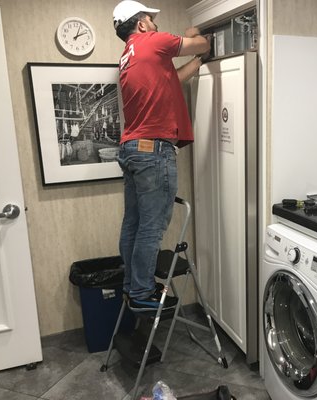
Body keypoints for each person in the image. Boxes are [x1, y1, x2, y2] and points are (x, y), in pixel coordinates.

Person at [113, 0, 210, 311]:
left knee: (134, 223)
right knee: (152, 227)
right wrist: (194, 33)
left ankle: (132, 285)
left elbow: (173, 80)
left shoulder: (129, 56)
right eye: (151, 19)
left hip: (132, 148)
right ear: (141, 24)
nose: (155, 24)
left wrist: (197, 62)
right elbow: (202, 42)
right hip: (153, 149)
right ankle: (142, 293)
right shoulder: (152, 42)